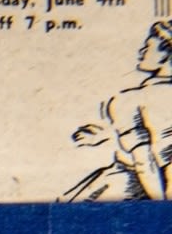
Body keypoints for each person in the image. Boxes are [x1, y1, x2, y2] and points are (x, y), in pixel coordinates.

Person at [69, 20, 172, 199]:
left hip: (131, 188)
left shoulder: (129, 100)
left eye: (147, 47)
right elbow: (161, 141)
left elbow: (144, 162)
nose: (141, 52)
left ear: (164, 56)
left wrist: (161, 209)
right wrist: (107, 135)